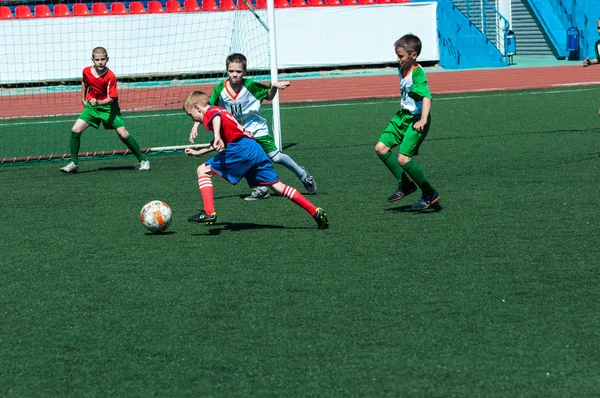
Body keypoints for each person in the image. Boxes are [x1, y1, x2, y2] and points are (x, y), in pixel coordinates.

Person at [183, 91, 328, 229]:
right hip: (254, 148)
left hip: (241, 149)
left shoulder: (212, 112)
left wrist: (218, 136)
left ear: (197, 107)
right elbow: (218, 137)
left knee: (202, 170)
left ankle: (209, 212)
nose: (193, 119)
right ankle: (315, 211)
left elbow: (215, 118)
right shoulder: (221, 111)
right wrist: (199, 152)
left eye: (191, 115)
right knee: (277, 186)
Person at [189, 53, 316, 200]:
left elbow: (268, 96)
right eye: (231, 71)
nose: (234, 75)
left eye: (238, 71)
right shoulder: (219, 90)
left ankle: (303, 175)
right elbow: (207, 108)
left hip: (256, 128)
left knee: (276, 157)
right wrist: (196, 125)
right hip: (238, 133)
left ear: (245, 72)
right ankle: (261, 188)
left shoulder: (249, 85)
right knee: (242, 158)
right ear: (226, 71)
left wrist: (273, 87)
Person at [374, 34, 440, 210]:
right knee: (381, 148)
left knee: (403, 159)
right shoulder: (401, 68)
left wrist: (424, 119)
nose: (398, 59)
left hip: (416, 119)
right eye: (397, 55)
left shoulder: (418, 73)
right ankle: (405, 185)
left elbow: (427, 97)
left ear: (414, 55)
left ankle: (429, 193)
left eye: (401, 56)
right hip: (402, 116)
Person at [60, 47, 150, 173]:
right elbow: (84, 82)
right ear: (93, 60)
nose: (100, 62)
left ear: (107, 59)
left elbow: (112, 98)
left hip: (109, 108)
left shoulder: (110, 76)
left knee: (123, 134)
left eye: (103, 59)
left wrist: (98, 102)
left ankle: (143, 160)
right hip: (92, 107)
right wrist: (83, 99)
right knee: (75, 129)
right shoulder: (86, 71)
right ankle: (74, 163)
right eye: (97, 60)